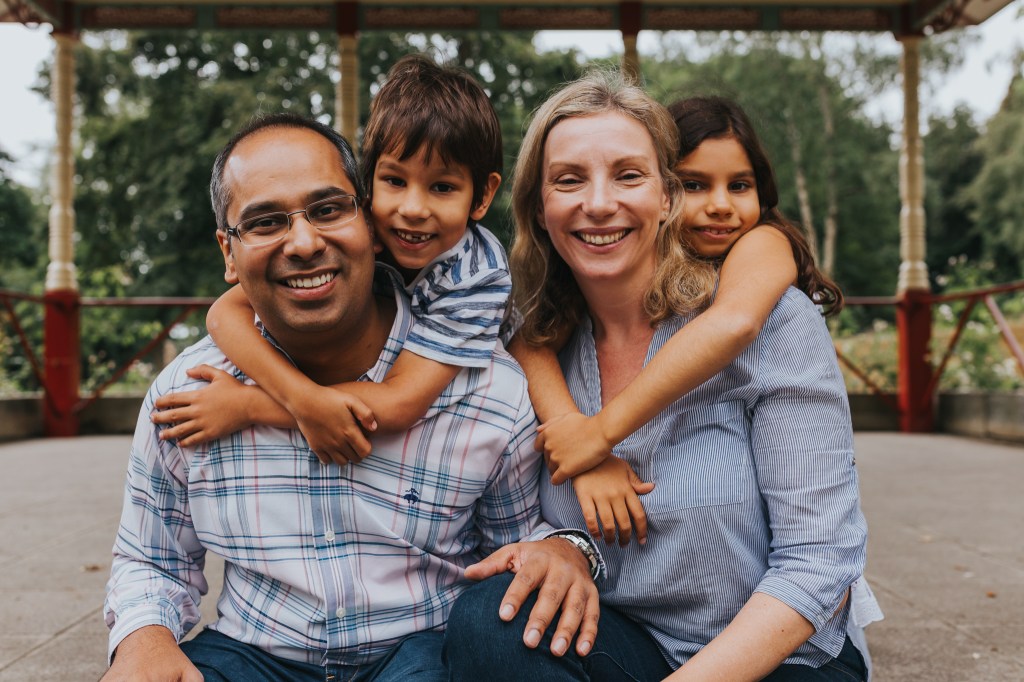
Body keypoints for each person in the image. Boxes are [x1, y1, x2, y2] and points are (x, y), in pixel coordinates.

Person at [102, 113, 599, 682]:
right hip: (254, 653)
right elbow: (151, 557)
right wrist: (143, 639)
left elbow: (518, 544)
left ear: (368, 221)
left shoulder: (487, 388)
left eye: (328, 209)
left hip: (420, 651)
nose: (305, 243)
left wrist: (565, 549)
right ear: (228, 252)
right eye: (265, 222)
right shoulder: (188, 392)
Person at [444, 72, 880, 681]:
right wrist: (565, 547)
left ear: (667, 197)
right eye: (569, 180)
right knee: (491, 618)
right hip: (631, 643)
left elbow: (819, 560)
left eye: (628, 175)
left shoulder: (770, 316)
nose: (598, 203)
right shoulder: (535, 340)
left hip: (776, 656)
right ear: (539, 210)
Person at [513, 94, 845, 548]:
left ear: (660, 195)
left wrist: (598, 434)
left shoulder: (761, 249)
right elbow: (526, 338)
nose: (721, 206)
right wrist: (580, 448)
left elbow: (732, 323)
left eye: (740, 186)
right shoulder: (575, 299)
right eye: (695, 184)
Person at [151, 54, 508, 467]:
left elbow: (397, 404)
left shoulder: (476, 278)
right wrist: (299, 394)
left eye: (442, 187)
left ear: (482, 196)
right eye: (394, 180)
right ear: (367, 182)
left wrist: (256, 405)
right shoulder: (367, 225)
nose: (412, 208)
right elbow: (223, 313)